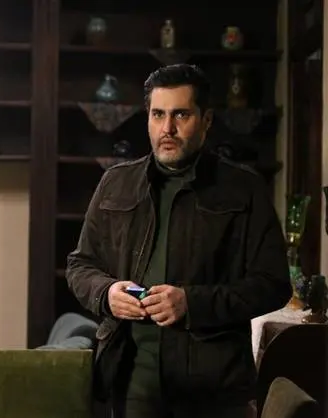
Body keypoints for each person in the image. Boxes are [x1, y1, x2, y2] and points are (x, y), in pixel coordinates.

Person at [66, 63, 291, 418]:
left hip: (214, 387)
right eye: (158, 114)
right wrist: (106, 293)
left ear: (206, 120)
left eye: (181, 115)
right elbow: (80, 265)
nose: (167, 128)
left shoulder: (244, 188)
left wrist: (191, 303)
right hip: (132, 378)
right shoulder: (116, 183)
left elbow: (273, 285)